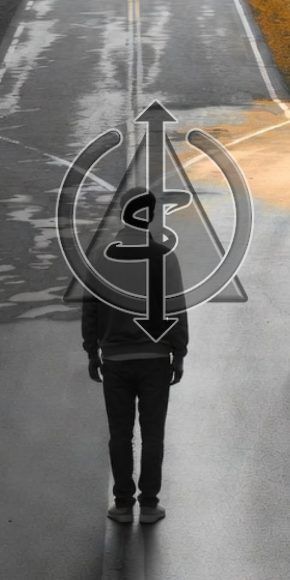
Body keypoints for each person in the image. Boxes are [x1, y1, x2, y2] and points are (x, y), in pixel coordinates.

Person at [82, 188, 187, 525]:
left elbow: (90, 309)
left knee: (120, 434)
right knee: (153, 434)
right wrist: (179, 352)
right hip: (155, 359)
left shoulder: (100, 257)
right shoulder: (164, 256)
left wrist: (91, 351)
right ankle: (151, 504)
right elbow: (176, 309)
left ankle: (123, 504)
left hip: (115, 360)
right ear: (150, 216)